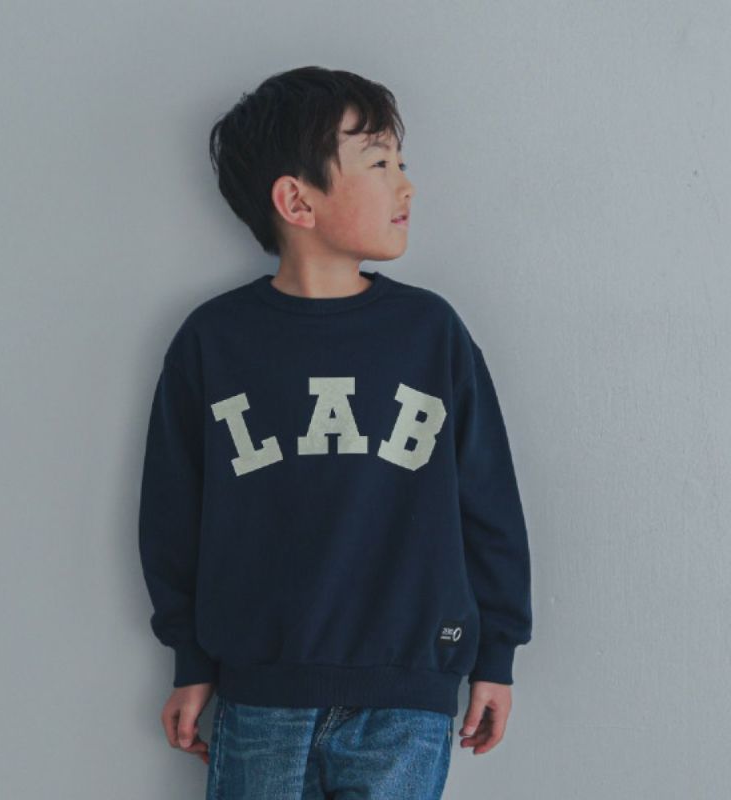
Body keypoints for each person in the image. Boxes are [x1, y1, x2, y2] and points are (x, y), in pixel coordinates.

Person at [138, 65, 533, 800]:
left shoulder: (431, 334)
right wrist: (191, 660)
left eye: (401, 164)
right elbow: (172, 513)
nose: (407, 187)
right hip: (259, 697)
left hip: (407, 701)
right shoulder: (213, 342)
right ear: (297, 200)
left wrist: (497, 655)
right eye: (380, 164)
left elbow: (488, 501)